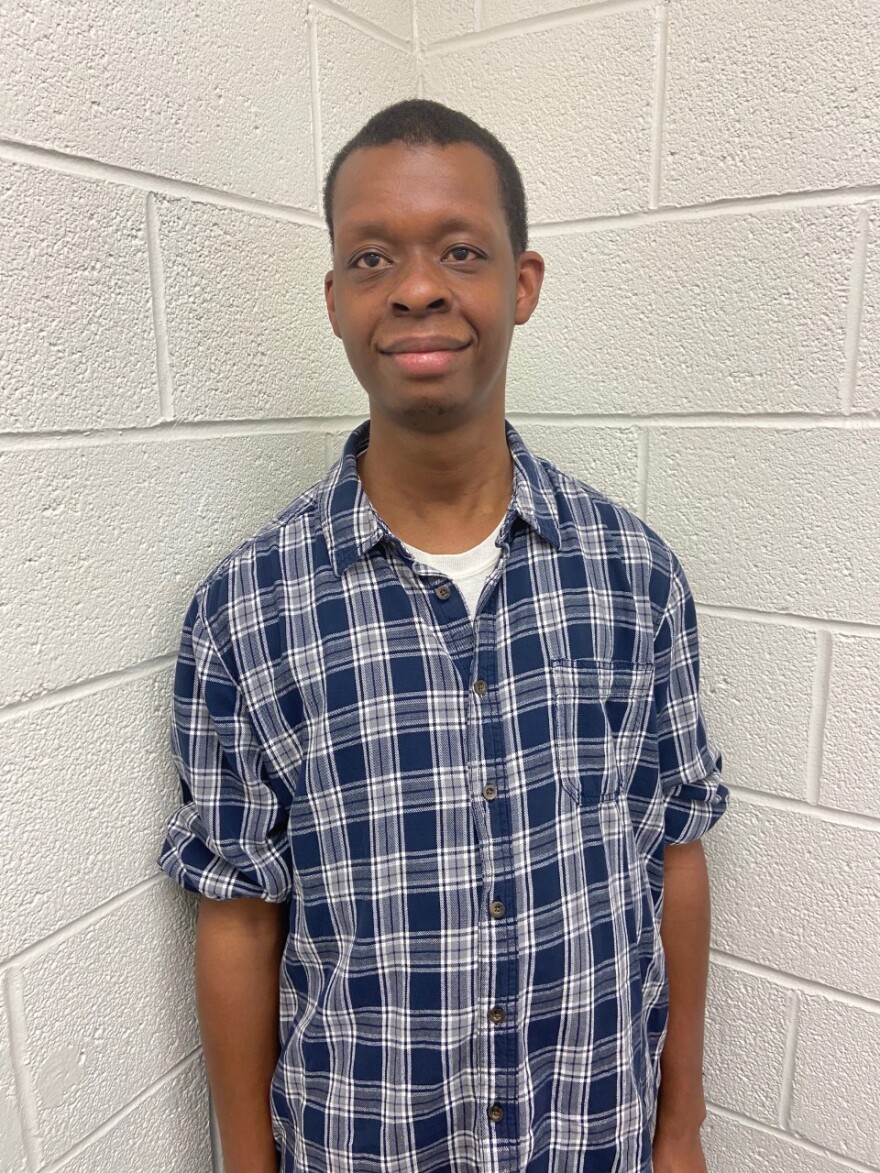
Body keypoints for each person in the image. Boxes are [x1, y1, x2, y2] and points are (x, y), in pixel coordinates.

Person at [158, 98, 728, 1173]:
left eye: (459, 250)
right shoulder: (244, 610)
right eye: (372, 257)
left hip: (591, 1135)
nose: (417, 286)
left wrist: (681, 1127)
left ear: (521, 284)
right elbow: (236, 914)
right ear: (334, 301)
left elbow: (676, 852)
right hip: (361, 1142)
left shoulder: (633, 575)